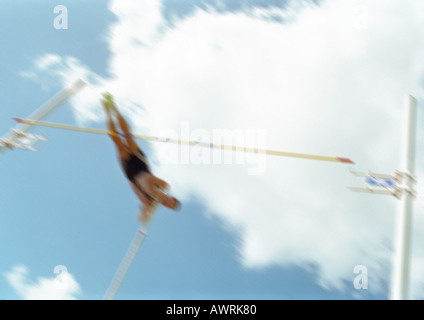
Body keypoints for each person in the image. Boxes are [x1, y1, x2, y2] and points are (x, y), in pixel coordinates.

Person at [101, 92, 180, 222]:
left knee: (115, 139)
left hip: (130, 173)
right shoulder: (165, 186)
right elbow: (150, 180)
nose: (167, 204)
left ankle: (108, 111)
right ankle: (114, 107)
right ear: (171, 197)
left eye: (168, 206)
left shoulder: (150, 204)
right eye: (170, 202)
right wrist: (157, 197)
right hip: (140, 165)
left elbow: (143, 214)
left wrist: (144, 215)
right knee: (127, 136)